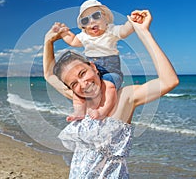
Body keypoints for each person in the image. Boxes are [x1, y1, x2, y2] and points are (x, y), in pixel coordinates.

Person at [43, 10, 179, 178]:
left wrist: (143, 32)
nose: (83, 84)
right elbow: (49, 75)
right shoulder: (80, 100)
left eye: (82, 73)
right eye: (74, 84)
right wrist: (48, 41)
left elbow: (168, 81)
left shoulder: (124, 98)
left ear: (93, 67)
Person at [53, 0, 139, 122]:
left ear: (105, 18)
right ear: (84, 27)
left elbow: (125, 31)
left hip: (110, 70)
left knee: (109, 87)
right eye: (85, 20)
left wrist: (133, 21)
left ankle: (102, 111)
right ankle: (78, 112)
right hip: (92, 70)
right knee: (77, 94)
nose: (92, 21)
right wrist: (62, 32)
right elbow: (72, 40)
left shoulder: (111, 30)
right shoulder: (84, 36)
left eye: (96, 16)